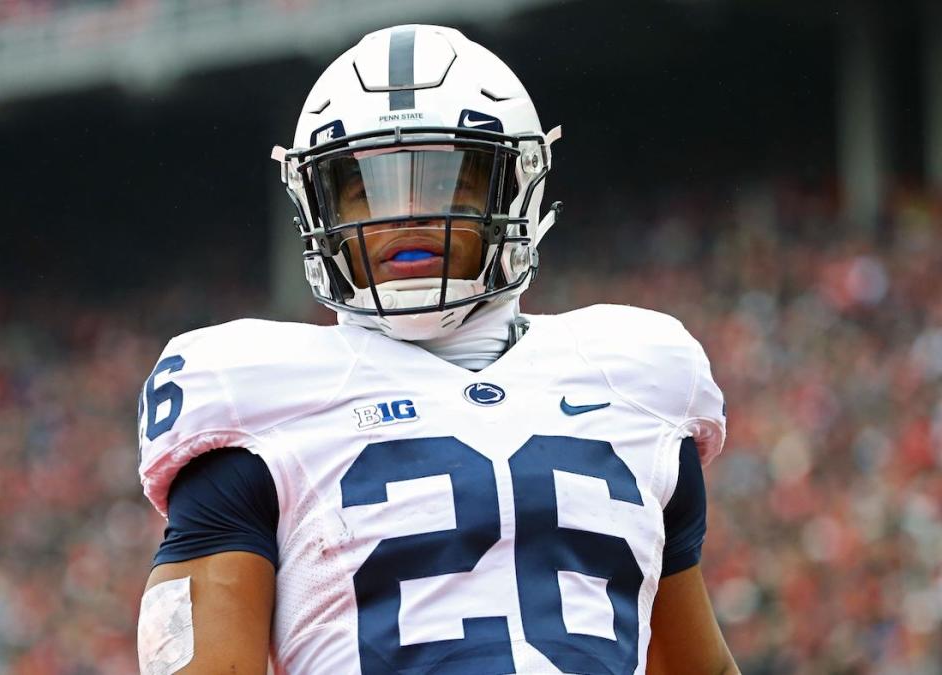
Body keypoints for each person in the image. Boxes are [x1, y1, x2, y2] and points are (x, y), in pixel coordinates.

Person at [136, 24, 739, 675]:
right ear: (316, 207)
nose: (407, 214)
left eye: (450, 179)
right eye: (366, 187)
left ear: (517, 188)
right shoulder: (251, 400)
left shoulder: (640, 378)